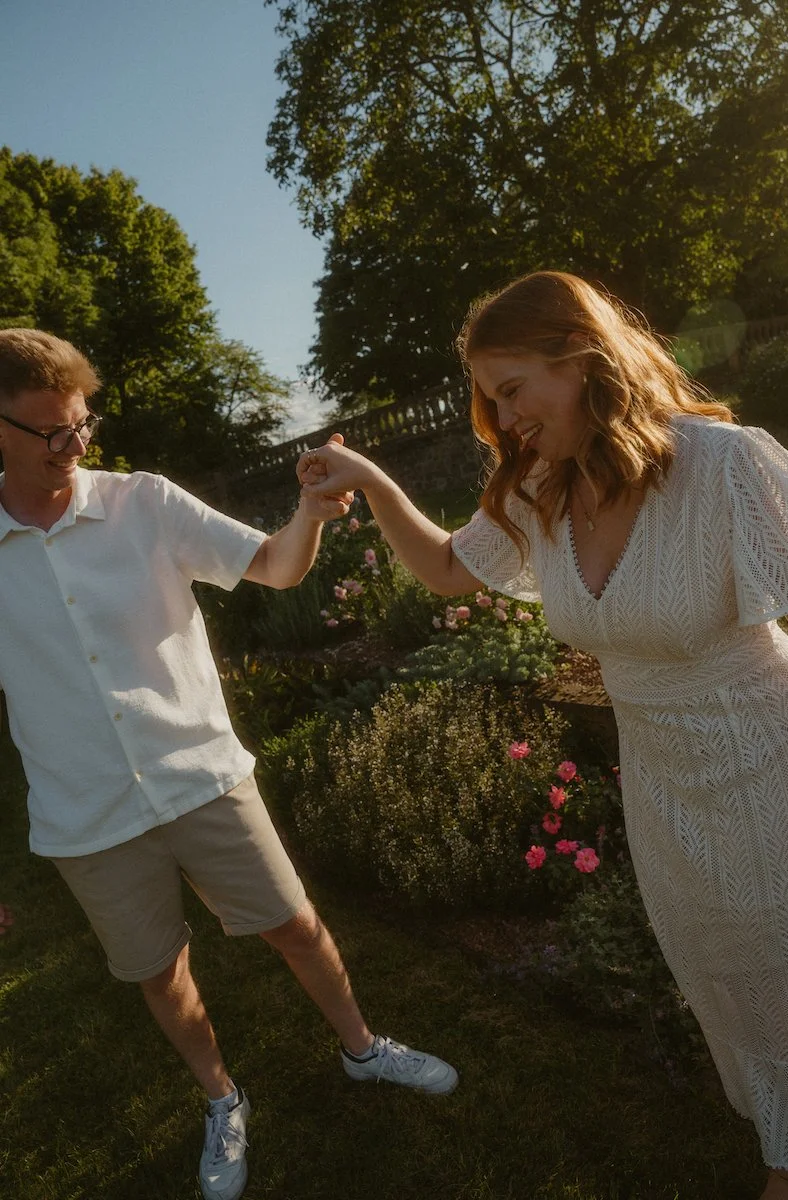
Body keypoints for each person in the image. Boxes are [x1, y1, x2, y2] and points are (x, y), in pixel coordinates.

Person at [298, 270, 788, 1200]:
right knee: (727, 970)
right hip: (664, 780)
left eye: (512, 390)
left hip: (776, 752)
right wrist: (369, 479)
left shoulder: (727, 464)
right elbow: (449, 570)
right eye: (490, 401)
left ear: (580, 357)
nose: (503, 419)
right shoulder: (540, 489)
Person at [0, 329, 458, 1200]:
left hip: (201, 773)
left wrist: (312, 518)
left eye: (81, 426)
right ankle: (221, 1097)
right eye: (49, 433)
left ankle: (364, 1048)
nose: (73, 447)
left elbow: (278, 569)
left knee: (294, 924)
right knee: (159, 972)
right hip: (86, 813)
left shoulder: (145, 503)